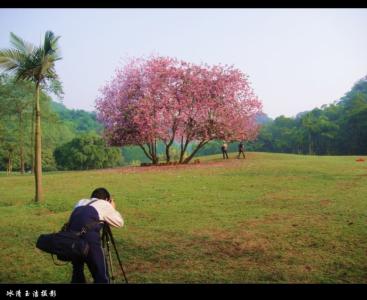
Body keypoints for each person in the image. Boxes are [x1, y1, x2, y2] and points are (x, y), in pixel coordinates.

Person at [68, 187, 124, 284]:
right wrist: (113, 208)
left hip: (71, 240)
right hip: (90, 242)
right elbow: (119, 223)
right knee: (101, 276)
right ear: (107, 199)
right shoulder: (105, 204)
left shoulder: (81, 202)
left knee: (77, 273)